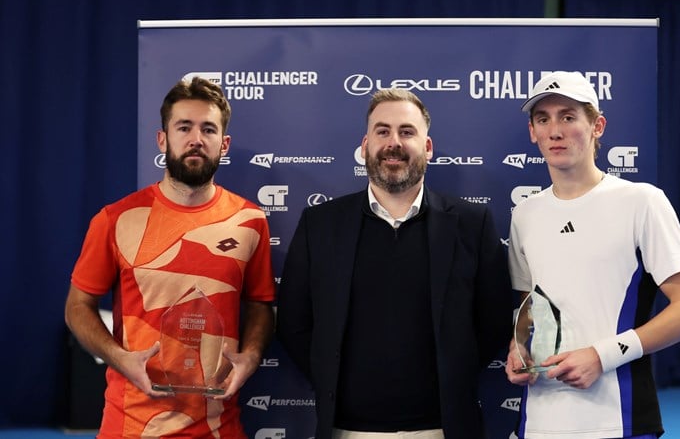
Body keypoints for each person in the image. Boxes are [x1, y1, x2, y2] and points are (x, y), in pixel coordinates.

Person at [276, 88, 512, 439]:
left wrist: (451, 376)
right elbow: (294, 322)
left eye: (407, 131)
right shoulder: (320, 224)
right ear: (366, 144)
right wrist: (333, 377)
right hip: (347, 430)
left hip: (444, 429)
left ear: (427, 148)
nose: (394, 142)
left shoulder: (471, 222)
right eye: (382, 131)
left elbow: (493, 320)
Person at [65, 77, 275, 438]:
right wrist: (121, 360)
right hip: (129, 425)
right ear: (163, 139)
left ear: (223, 144)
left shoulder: (250, 221)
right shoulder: (115, 219)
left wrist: (251, 356)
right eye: (184, 127)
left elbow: (259, 304)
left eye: (208, 129)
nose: (196, 138)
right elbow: (77, 307)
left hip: (219, 426)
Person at [505, 70, 680, 439]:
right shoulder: (524, 214)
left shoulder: (642, 201)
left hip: (621, 421)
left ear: (597, 125)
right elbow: (529, 304)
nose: (555, 130)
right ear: (532, 132)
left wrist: (603, 355)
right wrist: (518, 348)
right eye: (543, 119)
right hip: (538, 423)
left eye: (568, 117)